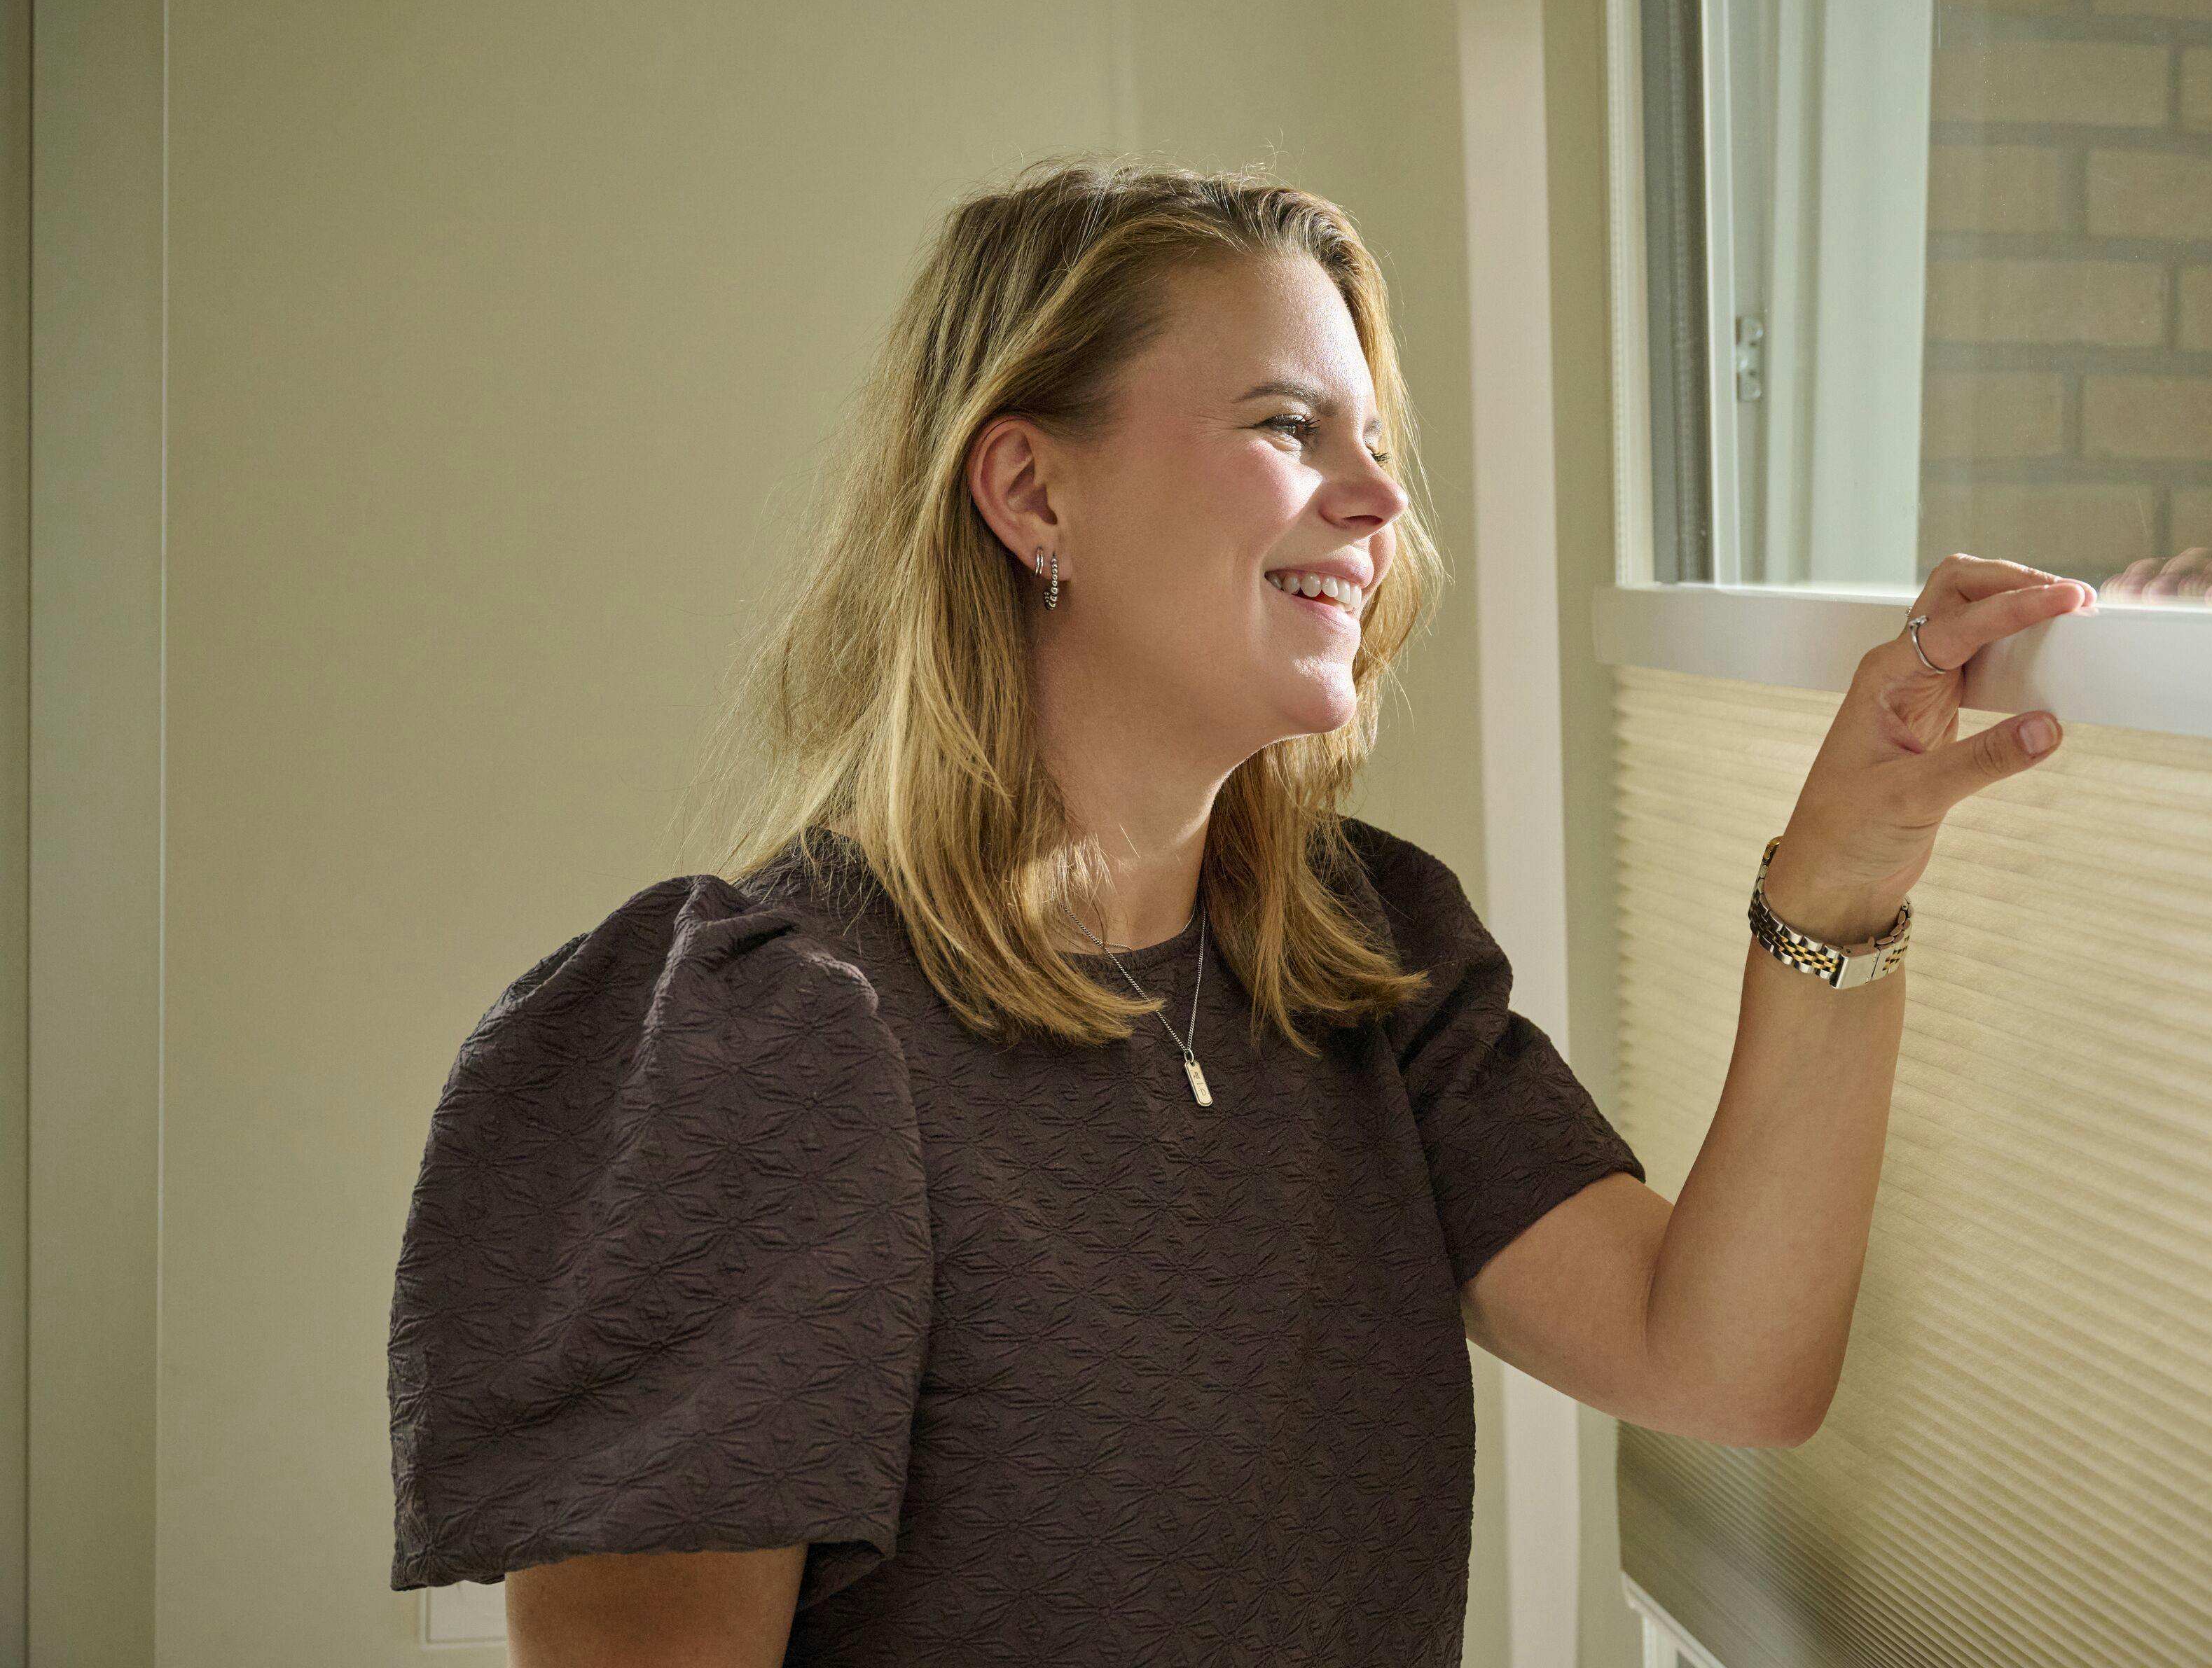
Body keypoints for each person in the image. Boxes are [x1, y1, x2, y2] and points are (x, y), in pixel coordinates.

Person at [385, 155, 2089, 1666]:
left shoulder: (1366, 953)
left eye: (1374, 440)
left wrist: (1842, 877)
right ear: (1032, 496)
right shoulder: (764, 1032)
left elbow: (1722, 1359)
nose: (1377, 498)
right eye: (1289, 426)